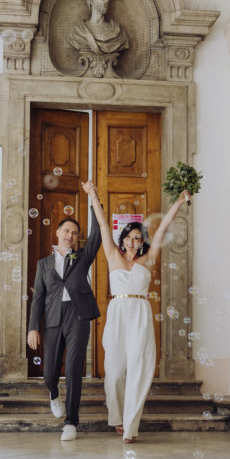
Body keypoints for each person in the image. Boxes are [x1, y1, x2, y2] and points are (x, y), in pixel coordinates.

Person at [83, 180, 191, 442]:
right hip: (118, 313)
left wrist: (179, 201)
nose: (134, 241)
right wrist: (93, 194)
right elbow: (103, 225)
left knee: (139, 369)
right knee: (116, 372)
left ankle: (131, 427)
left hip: (140, 314)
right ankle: (117, 417)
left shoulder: (148, 259)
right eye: (130, 237)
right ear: (124, 240)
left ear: (142, 242)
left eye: (138, 237)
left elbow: (164, 227)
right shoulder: (112, 255)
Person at [27, 201, 102, 441]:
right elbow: (38, 297)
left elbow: (98, 234)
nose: (71, 235)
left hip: (78, 316)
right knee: (49, 372)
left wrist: (93, 201)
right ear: (58, 233)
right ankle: (53, 394)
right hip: (52, 318)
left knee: (73, 370)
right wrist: (33, 328)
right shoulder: (44, 264)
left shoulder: (81, 257)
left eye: (75, 233)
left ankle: (71, 422)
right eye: (67, 231)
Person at [67, 0, 129, 78]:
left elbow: (124, 43)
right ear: (92, 1)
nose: (107, 1)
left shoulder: (118, 31)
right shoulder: (77, 32)